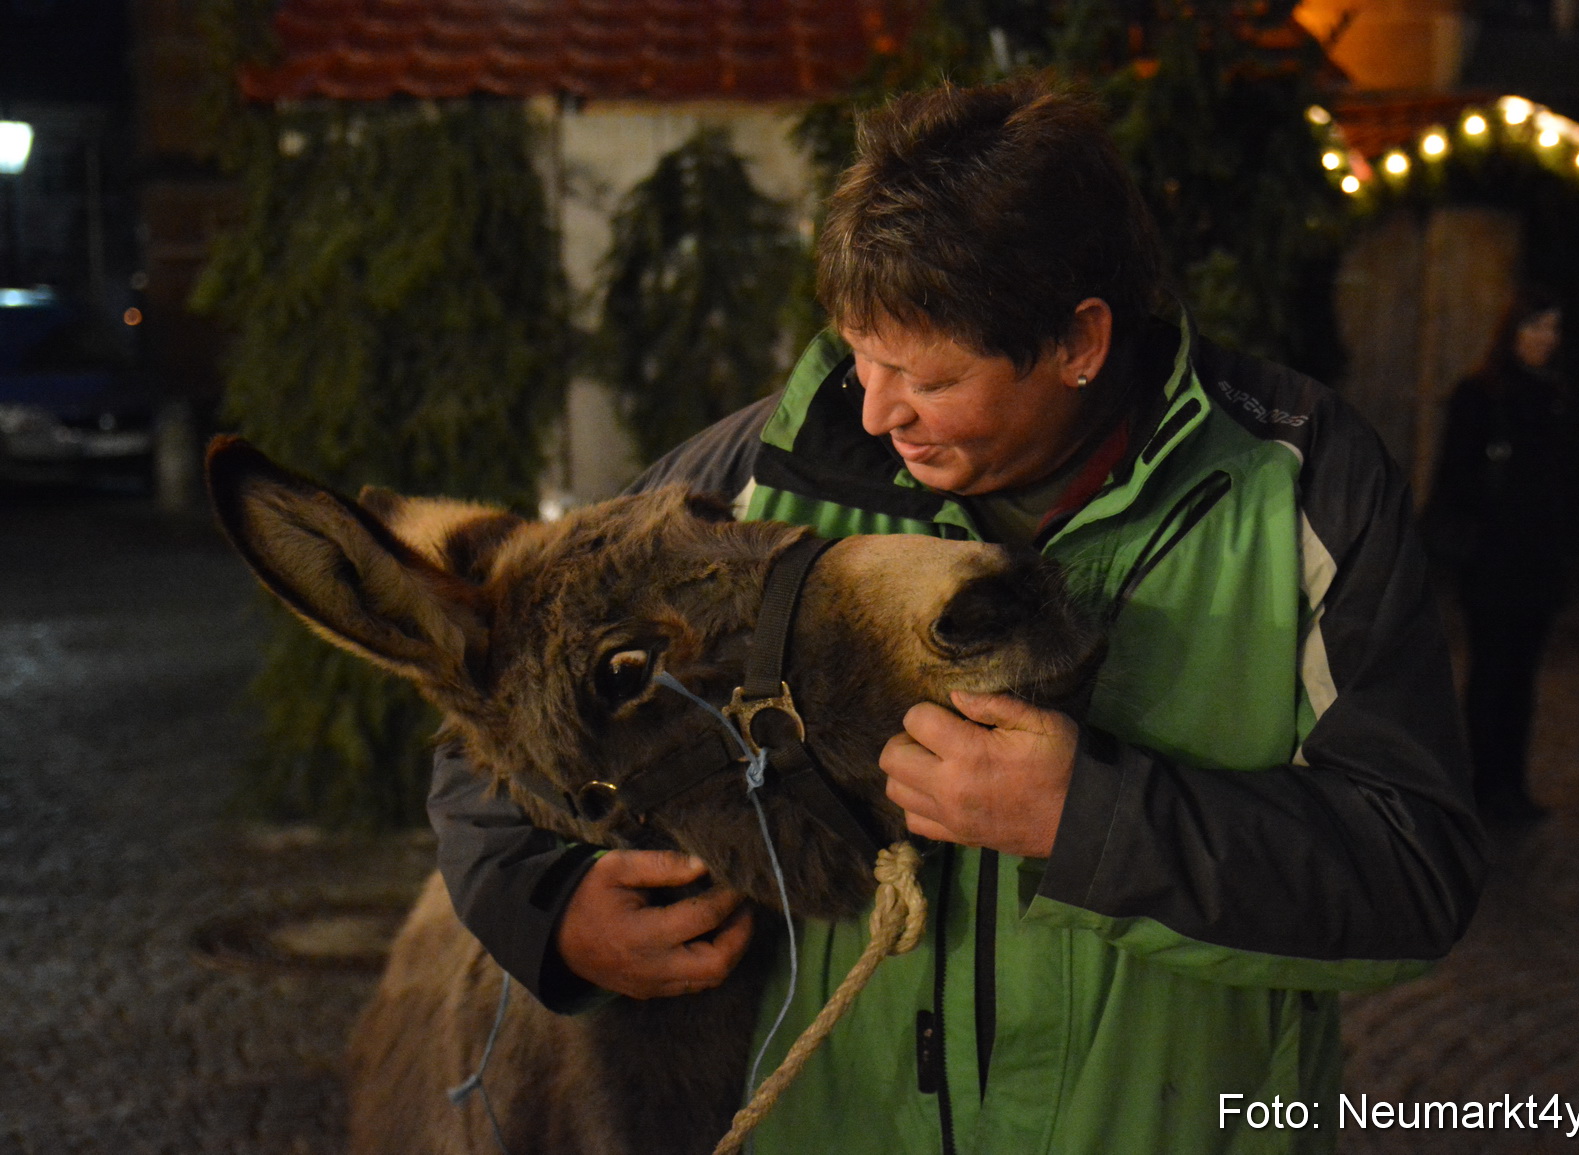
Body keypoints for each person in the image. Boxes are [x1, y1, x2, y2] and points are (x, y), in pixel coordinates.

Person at [428, 77, 1485, 1153]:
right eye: (858, 352)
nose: (877, 411)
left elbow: (1413, 875)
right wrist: (548, 909)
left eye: (927, 376)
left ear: (1080, 341)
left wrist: (1090, 825)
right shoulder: (758, 476)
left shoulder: (1306, 487)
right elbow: (494, 711)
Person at [1427, 287, 1571, 823]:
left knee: (1522, 677)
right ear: (1511, 334)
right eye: (1535, 328)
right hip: (1493, 560)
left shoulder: (1554, 397)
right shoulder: (1481, 395)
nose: (1544, 340)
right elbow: (1455, 477)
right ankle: (1483, 783)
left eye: (1553, 330)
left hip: (1536, 561)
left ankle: (1512, 780)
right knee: (1490, 672)